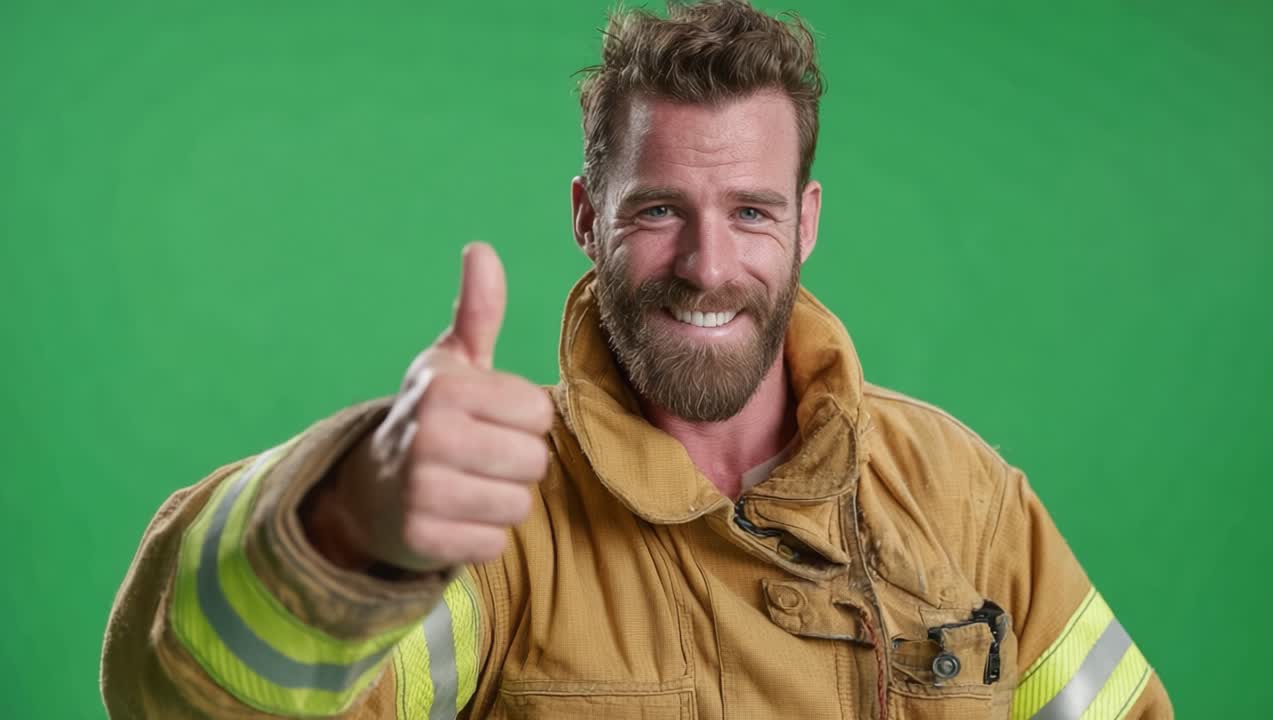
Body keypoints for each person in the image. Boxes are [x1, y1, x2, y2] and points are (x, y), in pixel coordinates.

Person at [101, 1, 1173, 718]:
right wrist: (345, 528)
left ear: (804, 223)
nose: (707, 266)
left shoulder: (959, 493)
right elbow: (186, 695)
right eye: (658, 208)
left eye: (749, 211)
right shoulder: (493, 515)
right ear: (584, 216)